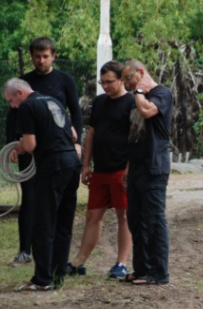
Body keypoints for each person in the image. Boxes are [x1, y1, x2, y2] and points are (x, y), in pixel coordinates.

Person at [6, 37, 83, 266]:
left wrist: (78, 142)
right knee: (29, 196)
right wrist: (12, 144)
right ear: (32, 57)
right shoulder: (23, 84)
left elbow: (75, 113)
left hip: (56, 149)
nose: (41, 61)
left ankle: (55, 258)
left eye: (45, 56)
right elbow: (13, 114)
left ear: (53, 56)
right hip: (29, 147)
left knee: (56, 202)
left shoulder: (64, 80)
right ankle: (25, 250)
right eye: (37, 57)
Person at [3, 78, 81, 291]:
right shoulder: (53, 101)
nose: (12, 106)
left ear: (20, 92)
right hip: (72, 163)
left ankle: (42, 279)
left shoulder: (27, 106)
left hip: (53, 166)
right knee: (63, 223)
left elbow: (30, 144)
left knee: (43, 223)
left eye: (11, 100)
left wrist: (20, 145)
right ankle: (57, 276)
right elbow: (73, 134)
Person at [66, 61, 134, 279]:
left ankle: (121, 263)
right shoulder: (99, 102)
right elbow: (92, 133)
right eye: (102, 82)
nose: (105, 86)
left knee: (124, 216)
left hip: (120, 170)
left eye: (110, 82)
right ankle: (79, 262)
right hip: (100, 170)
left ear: (122, 79)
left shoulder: (132, 102)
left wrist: (128, 169)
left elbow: (136, 138)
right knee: (92, 215)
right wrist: (86, 165)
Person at [121, 60, 173, 286]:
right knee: (135, 219)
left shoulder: (162, 93)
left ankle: (159, 273)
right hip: (136, 168)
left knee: (153, 220)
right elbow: (134, 136)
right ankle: (141, 269)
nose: (126, 84)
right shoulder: (136, 98)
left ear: (140, 73)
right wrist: (127, 169)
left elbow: (147, 111)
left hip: (155, 166)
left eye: (128, 79)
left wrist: (140, 89)